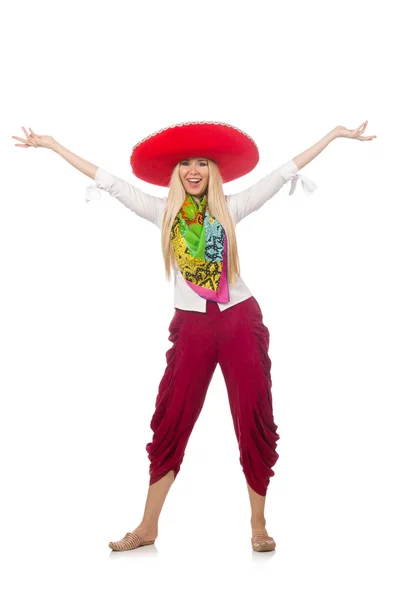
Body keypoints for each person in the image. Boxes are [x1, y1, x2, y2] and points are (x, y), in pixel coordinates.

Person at [12, 120, 376, 552]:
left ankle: (259, 526)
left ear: (213, 171)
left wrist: (333, 135)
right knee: (172, 418)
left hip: (240, 321)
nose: (194, 169)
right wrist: (54, 144)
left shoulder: (230, 208)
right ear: (177, 172)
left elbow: (281, 174)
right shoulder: (162, 214)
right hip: (191, 329)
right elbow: (107, 181)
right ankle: (147, 527)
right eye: (186, 163)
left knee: (254, 417)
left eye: (202, 162)